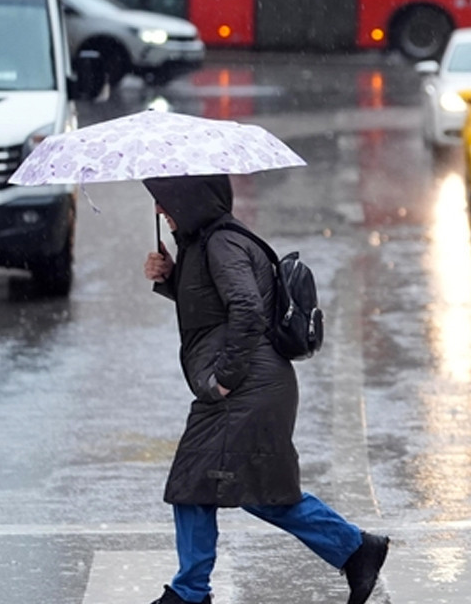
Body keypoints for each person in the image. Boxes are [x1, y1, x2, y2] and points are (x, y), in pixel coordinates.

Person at [141, 174, 389, 604]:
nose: (161, 210)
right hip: (253, 386)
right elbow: (211, 307)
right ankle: (355, 549)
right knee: (252, 488)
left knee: (194, 482)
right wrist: (170, 277)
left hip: (245, 388)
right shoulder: (206, 243)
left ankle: (190, 592)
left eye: (165, 200)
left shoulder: (222, 243)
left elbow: (246, 308)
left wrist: (224, 378)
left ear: (189, 198)